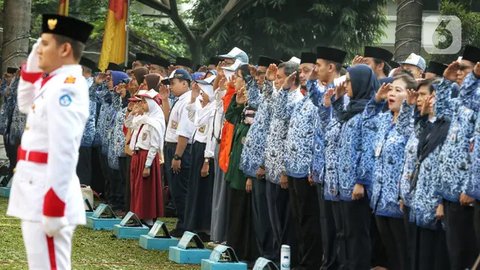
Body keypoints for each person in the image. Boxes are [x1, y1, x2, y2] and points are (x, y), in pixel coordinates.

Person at [7, 14, 93, 269]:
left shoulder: (67, 87)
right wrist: (35, 57)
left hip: (48, 191)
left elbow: (64, 149)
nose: (39, 49)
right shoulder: (54, 82)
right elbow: (24, 103)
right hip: (36, 187)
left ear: (65, 49)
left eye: (44, 44)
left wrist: (54, 202)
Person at [161, 69, 195, 237]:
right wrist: (165, 99)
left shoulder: (188, 101)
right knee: (175, 188)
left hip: (179, 148)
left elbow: (184, 132)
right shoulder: (179, 100)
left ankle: (185, 225)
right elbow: (168, 120)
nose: (171, 87)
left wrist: (177, 156)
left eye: (173, 83)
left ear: (185, 83)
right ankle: (182, 223)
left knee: (181, 188)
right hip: (171, 146)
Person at [184, 74, 217, 241]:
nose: (202, 94)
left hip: (205, 151)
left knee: (203, 190)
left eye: (204, 91)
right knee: (194, 188)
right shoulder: (203, 107)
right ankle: (192, 224)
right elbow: (192, 117)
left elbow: (211, 136)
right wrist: (194, 96)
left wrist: (206, 160)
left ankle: (203, 227)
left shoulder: (213, 110)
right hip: (196, 147)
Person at [129, 89, 165, 226]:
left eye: (144, 102)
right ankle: (138, 215)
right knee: (137, 188)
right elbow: (129, 124)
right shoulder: (144, 119)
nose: (142, 105)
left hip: (146, 157)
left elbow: (154, 145)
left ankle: (147, 218)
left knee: (146, 189)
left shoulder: (154, 122)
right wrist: (132, 113)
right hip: (138, 155)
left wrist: (148, 165)